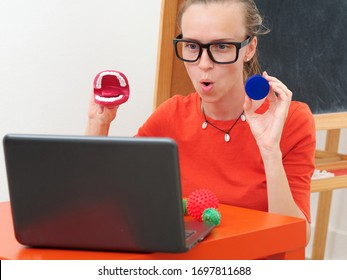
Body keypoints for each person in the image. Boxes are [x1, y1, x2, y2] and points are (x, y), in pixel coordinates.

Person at [86, 0, 316, 243]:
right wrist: (98, 123)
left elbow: (295, 238)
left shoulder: (292, 121)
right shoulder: (171, 116)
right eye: (192, 46)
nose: (204, 64)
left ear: (249, 48)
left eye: (222, 47)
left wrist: (270, 152)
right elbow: (102, 196)